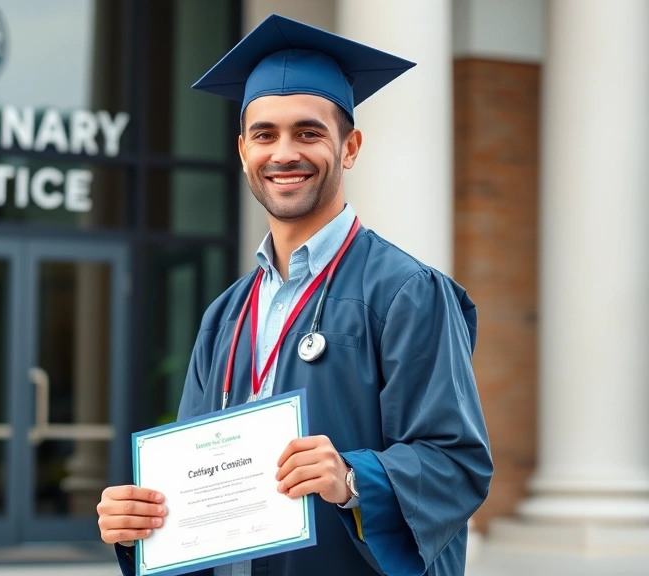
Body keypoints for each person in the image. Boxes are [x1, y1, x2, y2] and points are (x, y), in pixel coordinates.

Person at [96, 13, 493, 576]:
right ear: (242, 151)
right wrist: (138, 526)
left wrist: (354, 479)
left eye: (308, 132)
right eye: (265, 135)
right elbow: (191, 488)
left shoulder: (406, 291)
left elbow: (457, 462)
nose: (284, 153)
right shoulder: (225, 315)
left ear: (350, 147)